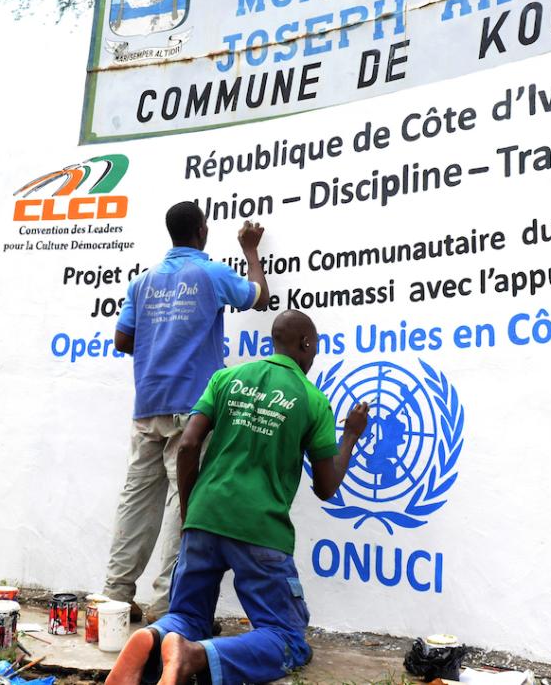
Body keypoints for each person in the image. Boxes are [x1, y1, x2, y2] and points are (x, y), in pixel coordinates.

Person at [106, 310, 370, 685]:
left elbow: (188, 445)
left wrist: (189, 512)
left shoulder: (225, 378)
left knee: (188, 616)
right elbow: (327, 488)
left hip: (203, 518)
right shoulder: (312, 400)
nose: (314, 356)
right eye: (314, 348)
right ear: (305, 344)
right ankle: (193, 656)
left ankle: (155, 638)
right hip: (259, 530)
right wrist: (351, 436)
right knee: (288, 639)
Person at [104, 201, 271, 623]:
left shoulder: (142, 282)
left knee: (136, 502)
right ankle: (167, 605)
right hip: (192, 410)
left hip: (148, 406)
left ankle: (115, 598)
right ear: (201, 230)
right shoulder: (210, 274)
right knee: (184, 505)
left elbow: (123, 339)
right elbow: (258, 296)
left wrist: (160, 334)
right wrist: (251, 251)